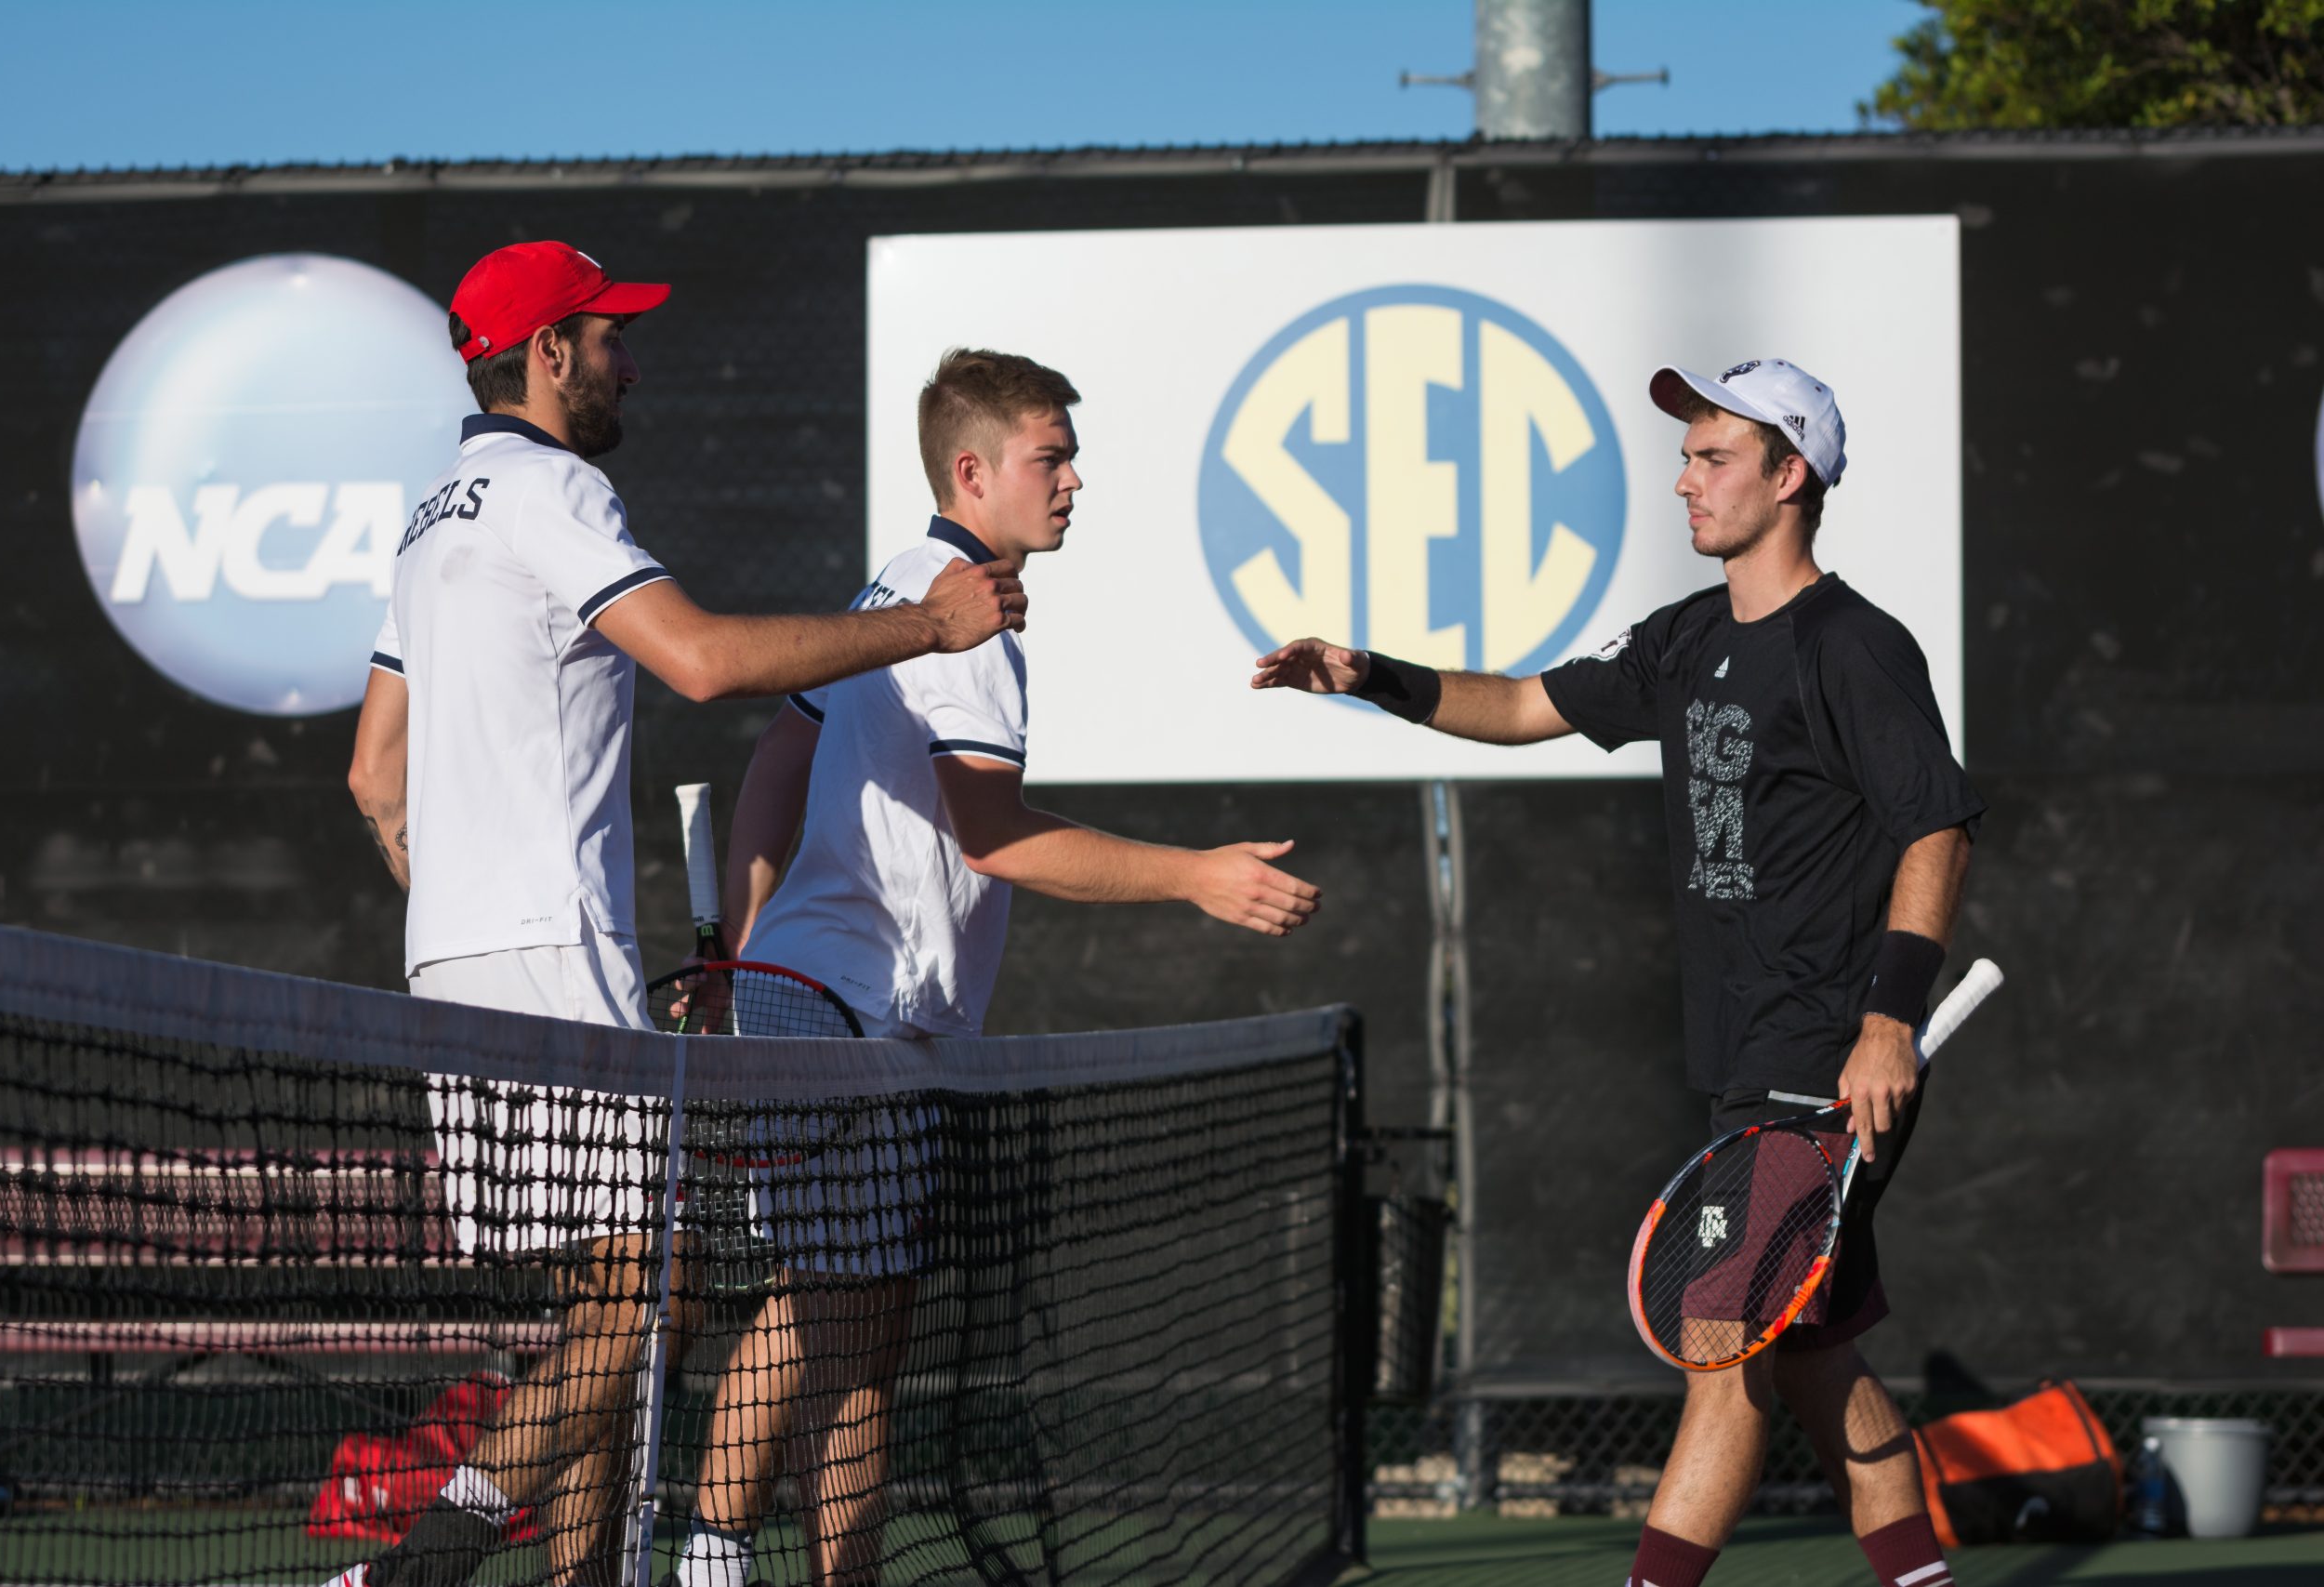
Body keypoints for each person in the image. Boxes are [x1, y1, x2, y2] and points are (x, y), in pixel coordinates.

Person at [339, 244, 1025, 1587]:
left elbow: (373, 772)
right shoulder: (553, 489)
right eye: (607, 339)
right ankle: (412, 1570)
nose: (627, 361)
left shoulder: (434, 518)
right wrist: (927, 629)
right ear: (547, 351)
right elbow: (705, 660)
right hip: (549, 949)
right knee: (657, 1296)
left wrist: (465, 904)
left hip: (457, 959)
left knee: (600, 1307)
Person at [1252, 357, 1980, 1587]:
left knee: (1724, 1335)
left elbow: (1937, 827)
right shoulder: (1687, 637)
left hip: (1822, 1062)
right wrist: (1368, 673)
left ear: (1789, 476)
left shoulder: (1856, 649)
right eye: (1685, 455)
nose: (1685, 480)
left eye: (1713, 457)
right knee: (1807, 1358)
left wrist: (1887, 1025)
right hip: (1744, 1061)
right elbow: (1523, 704)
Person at [671, 348, 1324, 1587]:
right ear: (973, 473)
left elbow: (775, 752)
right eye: (1051, 456)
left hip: (811, 1000)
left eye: (1071, 455)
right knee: (860, 1336)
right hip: (850, 1013)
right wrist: (1198, 876)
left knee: (818, 1302)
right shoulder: (961, 616)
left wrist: (750, 951)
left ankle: (709, 1561)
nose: (1075, 479)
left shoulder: (902, 586)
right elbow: (998, 835)